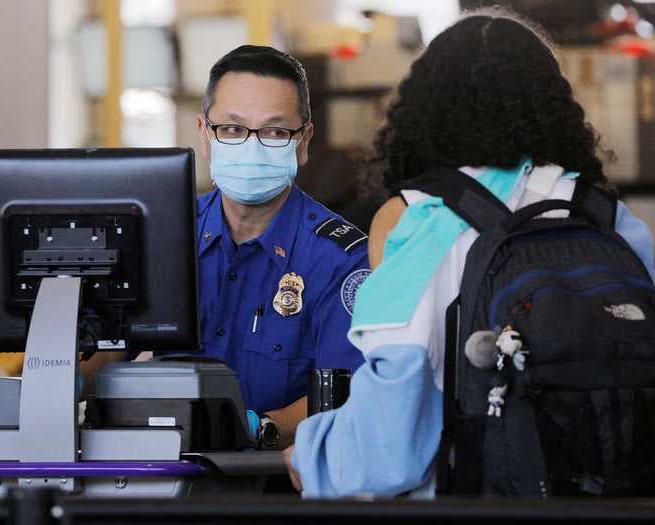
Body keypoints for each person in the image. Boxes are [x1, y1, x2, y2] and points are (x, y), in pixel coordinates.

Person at [284, 10, 655, 497]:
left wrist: (309, 456)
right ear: (553, 107)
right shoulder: (608, 218)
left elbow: (387, 451)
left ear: (422, 108)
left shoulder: (416, 223)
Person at [194, 45, 369, 448]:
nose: (251, 147)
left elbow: (349, 391)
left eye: (274, 132)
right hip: (152, 477)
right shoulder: (165, 236)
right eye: (233, 130)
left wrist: (256, 427)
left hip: (276, 485)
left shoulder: (340, 259)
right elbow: (106, 355)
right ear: (205, 135)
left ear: (304, 141)